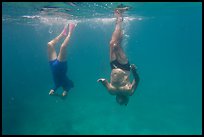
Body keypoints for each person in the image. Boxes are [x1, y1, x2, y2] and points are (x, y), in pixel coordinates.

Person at [97, 7, 140, 106]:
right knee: (117, 45)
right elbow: (137, 80)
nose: (119, 101)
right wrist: (134, 71)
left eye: (118, 102)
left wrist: (102, 81)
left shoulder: (111, 92)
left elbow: (106, 83)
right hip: (125, 67)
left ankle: (119, 21)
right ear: (126, 100)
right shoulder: (130, 92)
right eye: (122, 102)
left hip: (113, 66)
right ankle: (120, 18)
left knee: (112, 44)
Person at [47, 23, 76, 97]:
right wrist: (58, 94)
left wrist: (54, 94)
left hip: (52, 65)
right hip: (61, 66)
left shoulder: (56, 85)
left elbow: (53, 93)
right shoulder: (68, 86)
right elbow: (64, 96)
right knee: (63, 46)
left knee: (49, 44)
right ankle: (69, 33)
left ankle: (63, 34)